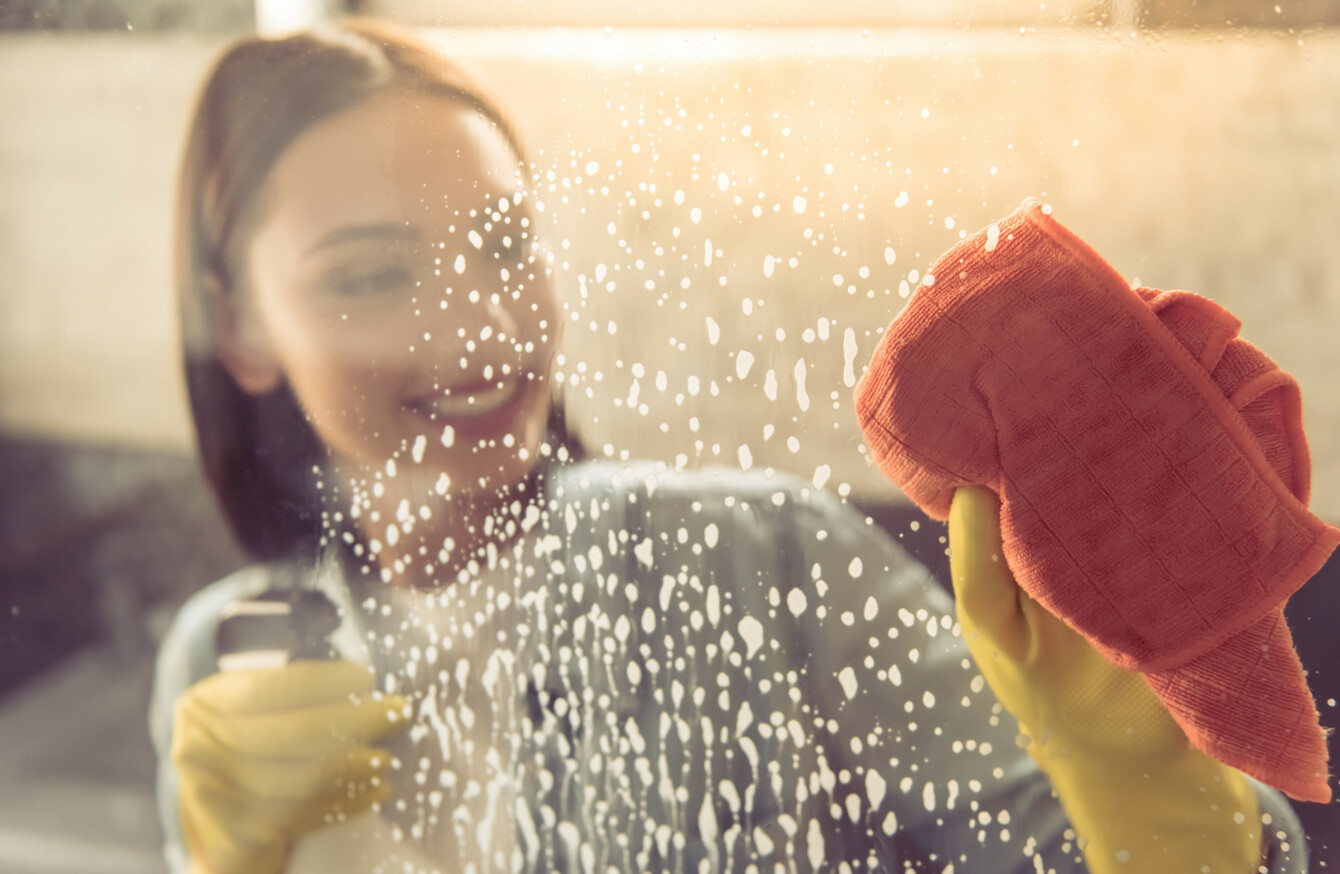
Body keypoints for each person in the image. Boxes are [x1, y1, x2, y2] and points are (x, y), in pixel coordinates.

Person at [148, 18, 1307, 874]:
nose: (488, 331)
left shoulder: (758, 562)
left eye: (502, 249)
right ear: (239, 322)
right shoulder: (225, 659)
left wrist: (1157, 800)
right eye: (372, 275)